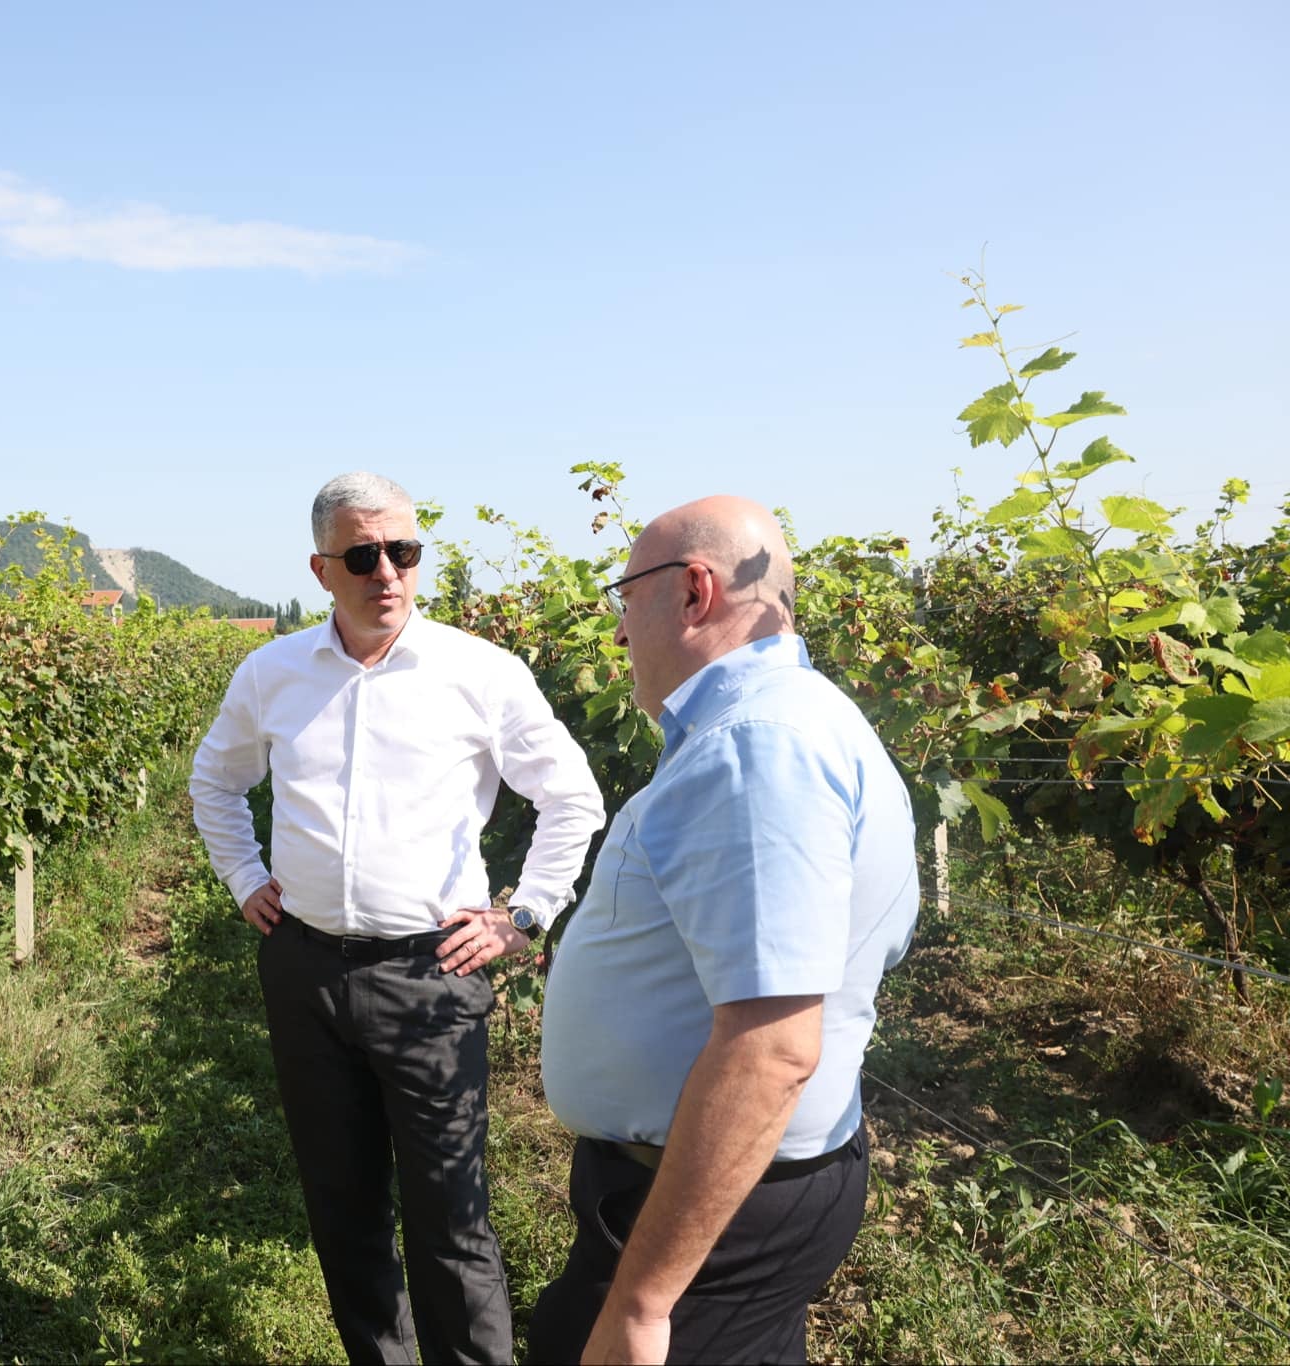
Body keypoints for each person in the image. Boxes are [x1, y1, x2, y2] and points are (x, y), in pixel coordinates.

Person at [190, 471, 606, 1364]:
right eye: (363, 556)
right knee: (342, 1210)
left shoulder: (478, 672)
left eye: (403, 551)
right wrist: (242, 875)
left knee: (450, 1217)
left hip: (432, 976)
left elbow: (572, 797)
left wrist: (524, 915)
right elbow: (215, 782)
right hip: (304, 970)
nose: (387, 572)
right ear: (321, 569)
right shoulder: (272, 673)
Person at [531, 495, 919, 1366]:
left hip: (712, 1211)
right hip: (731, 1194)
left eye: (626, 598)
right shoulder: (795, 719)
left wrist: (643, 1304)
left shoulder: (757, 747)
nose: (618, 631)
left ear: (693, 591)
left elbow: (771, 1049)